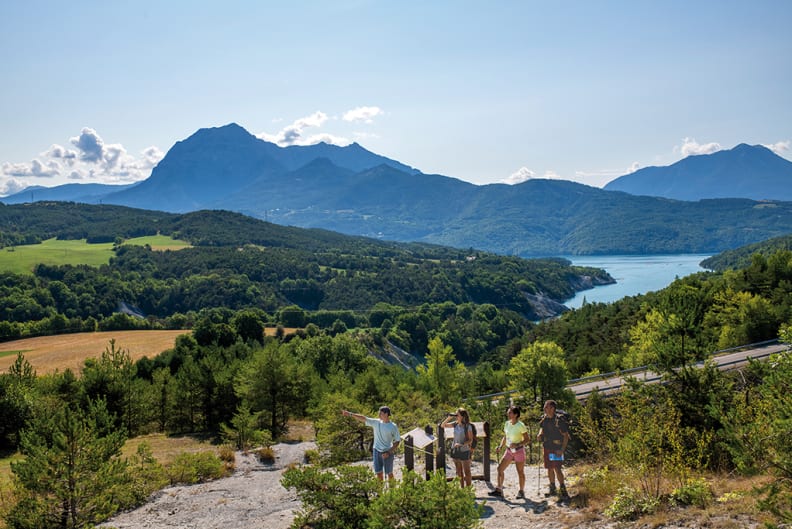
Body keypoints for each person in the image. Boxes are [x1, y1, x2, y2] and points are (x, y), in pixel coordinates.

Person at [342, 406, 401, 481]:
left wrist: (389, 452)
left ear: (386, 414)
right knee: (379, 473)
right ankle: (380, 492)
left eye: (381, 413)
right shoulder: (376, 422)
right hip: (376, 451)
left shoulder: (393, 426)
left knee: (389, 473)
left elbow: (397, 441)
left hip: (388, 452)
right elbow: (363, 418)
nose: (379, 415)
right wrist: (350, 414)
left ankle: (393, 491)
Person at [488, 405, 530, 499]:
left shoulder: (521, 425)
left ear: (515, 414)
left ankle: (521, 491)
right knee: (500, 469)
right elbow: (505, 436)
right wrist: (500, 446)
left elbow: (527, 439)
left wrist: (517, 444)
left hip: (519, 451)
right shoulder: (507, 423)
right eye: (508, 412)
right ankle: (499, 490)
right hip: (509, 451)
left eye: (510, 412)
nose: (508, 413)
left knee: (520, 472)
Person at [537, 399, 570, 500]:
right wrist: (540, 434)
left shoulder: (559, 421)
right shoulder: (544, 418)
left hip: (556, 448)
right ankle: (552, 489)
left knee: (557, 468)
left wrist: (562, 450)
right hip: (547, 446)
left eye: (546, 406)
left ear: (552, 408)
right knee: (549, 468)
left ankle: (563, 489)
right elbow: (542, 427)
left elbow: (566, 436)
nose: (544, 408)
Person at [441, 407, 474, 487]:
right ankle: (462, 489)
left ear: (462, 416)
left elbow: (470, 440)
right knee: (459, 471)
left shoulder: (467, 426)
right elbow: (443, 425)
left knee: (467, 471)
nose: (456, 416)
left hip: (464, 450)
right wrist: (449, 417)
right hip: (455, 450)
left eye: (457, 415)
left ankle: (468, 490)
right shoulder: (455, 424)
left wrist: (461, 444)